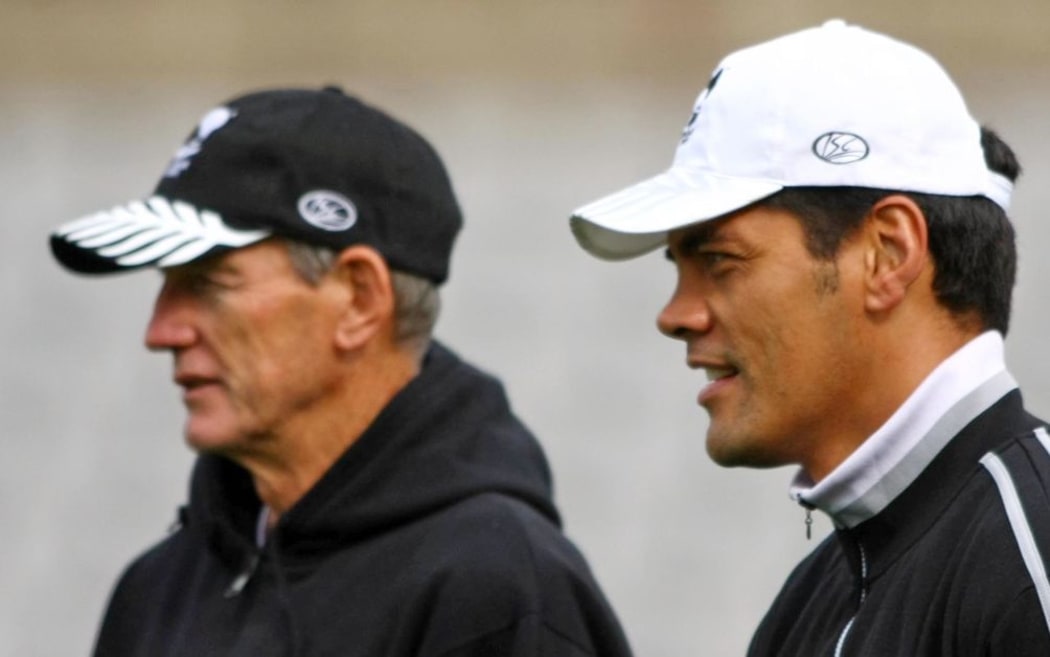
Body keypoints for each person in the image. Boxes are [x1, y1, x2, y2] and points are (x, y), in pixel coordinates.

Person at [51, 86, 632, 657]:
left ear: (359, 299)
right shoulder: (155, 591)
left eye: (207, 283)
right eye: (165, 286)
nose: (161, 333)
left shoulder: (493, 590)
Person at [568, 20, 1050, 657]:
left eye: (720, 261)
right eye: (678, 271)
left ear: (887, 253)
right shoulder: (815, 594)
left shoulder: (1032, 546)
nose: (675, 314)